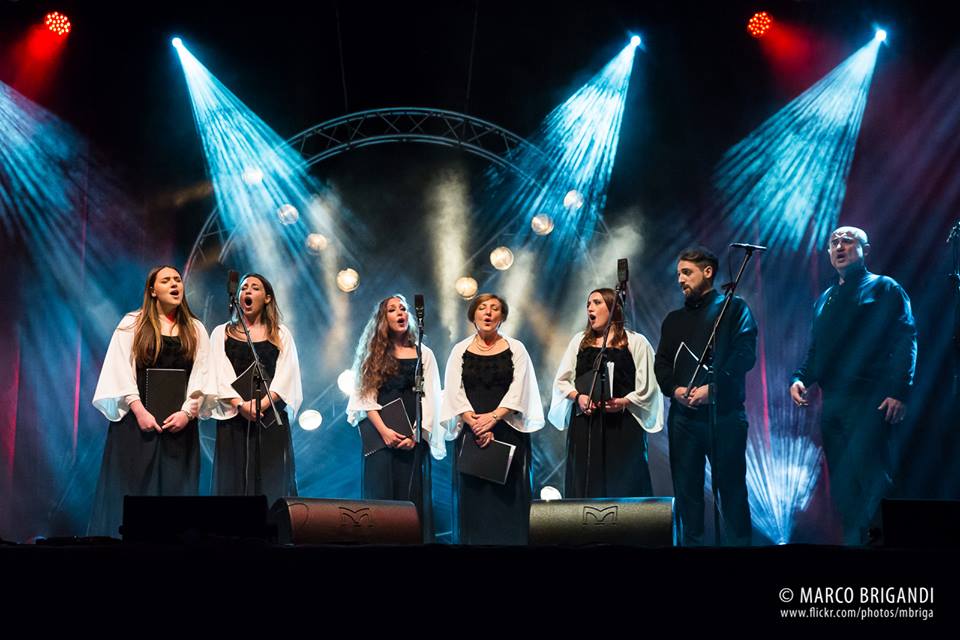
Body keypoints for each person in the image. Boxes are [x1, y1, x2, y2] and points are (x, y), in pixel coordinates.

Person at [790, 226, 917, 544]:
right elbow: (817, 352)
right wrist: (799, 378)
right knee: (845, 486)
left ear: (865, 249)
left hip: (870, 400)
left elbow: (905, 338)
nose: (839, 246)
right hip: (833, 404)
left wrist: (899, 391)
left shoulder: (884, 288)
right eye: (833, 242)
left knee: (874, 481)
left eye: (847, 240)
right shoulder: (824, 300)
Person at [90, 265, 214, 537]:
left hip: (179, 426)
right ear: (152, 290)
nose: (175, 284)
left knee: (174, 498)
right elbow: (119, 369)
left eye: (178, 280)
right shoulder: (132, 323)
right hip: (138, 424)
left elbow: (203, 375)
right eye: (166, 280)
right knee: (134, 493)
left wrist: (187, 413)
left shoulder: (195, 329)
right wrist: (139, 410)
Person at [654, 247, 757, 546]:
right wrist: (674, 390)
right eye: (678, 274)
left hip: (723, 415)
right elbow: (661, 364)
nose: (680, 280)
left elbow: (744, 355)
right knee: (687, 494)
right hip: (683, 418)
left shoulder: (734, 309)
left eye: (687, 272)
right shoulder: (673, 319)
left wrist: (713, 390)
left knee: (732, 490)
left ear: (708, 272)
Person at [440, 293, 544, 545]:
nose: (488, 313)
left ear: (502, 316)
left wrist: (494, 418)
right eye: (482, 308)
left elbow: (521, 387)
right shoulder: (460, 350)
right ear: (473, 314)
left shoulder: (515, 348)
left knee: (507, 499)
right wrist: (473, 421)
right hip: (471, 430)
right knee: (474, 500)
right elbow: (453, 389)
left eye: (495, 308)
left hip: (507, 429)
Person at [347, 295, 445, 542]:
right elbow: (365, 399)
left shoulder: (424, 353)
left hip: (412, 435)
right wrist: (385, 432)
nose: (400, 312)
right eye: (392, 309)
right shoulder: (373, 354)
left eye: (403, 308)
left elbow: (432, 396)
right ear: (383, 319)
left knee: (411, 498)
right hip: (381, 437)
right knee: (381, 498)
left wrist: (416, 434)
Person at [548, 288, 664, 498]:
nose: (590, 308)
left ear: (613, 307)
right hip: (586, 424)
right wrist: (579, 397)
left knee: (623, 481)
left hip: (622, 424)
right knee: (586, 481)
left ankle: (626, 529)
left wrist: (624, 401)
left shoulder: (635, 341)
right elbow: (562, 381)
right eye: (588, 304)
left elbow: (648, 386)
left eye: (596, 302)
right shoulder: (579, 341)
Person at [209, 273, 302, 506]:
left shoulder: (280, 334)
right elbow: (217, 373)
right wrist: (240, 405)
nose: (247, 291)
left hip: (269, 417)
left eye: (255, 288)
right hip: (234, 419)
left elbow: (287, 375)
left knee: (271, 480)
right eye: (243, 288)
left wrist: (261, 404)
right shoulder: (221, 333)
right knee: (234, 480)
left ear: (267, 298)